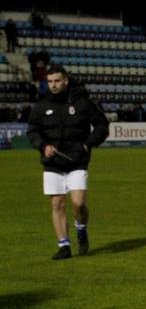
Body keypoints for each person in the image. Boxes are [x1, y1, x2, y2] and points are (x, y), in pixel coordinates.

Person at [27, 65, 110, 259]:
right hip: (52, 161)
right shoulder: (41, 105)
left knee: (78, 203)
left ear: (65, 81)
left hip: (77, 160)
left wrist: (89, 144)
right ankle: (64, 245)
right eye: (50, 82)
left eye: (57, 81)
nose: (53, 85)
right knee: (57, 203)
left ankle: (81, 229)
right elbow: (32, 130)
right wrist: (43, 145)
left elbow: (102, 125)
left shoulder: (82, 102)